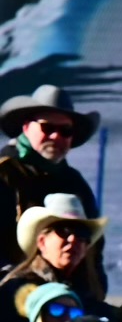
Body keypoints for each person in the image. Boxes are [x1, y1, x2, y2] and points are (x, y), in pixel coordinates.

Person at [4, 195, 108, 322]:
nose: (73, 239)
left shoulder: (87, 294)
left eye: (82, 234)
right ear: (42, 242)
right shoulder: (13, 289)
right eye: (64, 230)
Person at [0, 85, 100, 228]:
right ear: (26, 127)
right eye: (47, 128)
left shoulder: (75, 183)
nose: (55, 136)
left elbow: (93, 244)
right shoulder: (4, 174)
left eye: (65, 130)